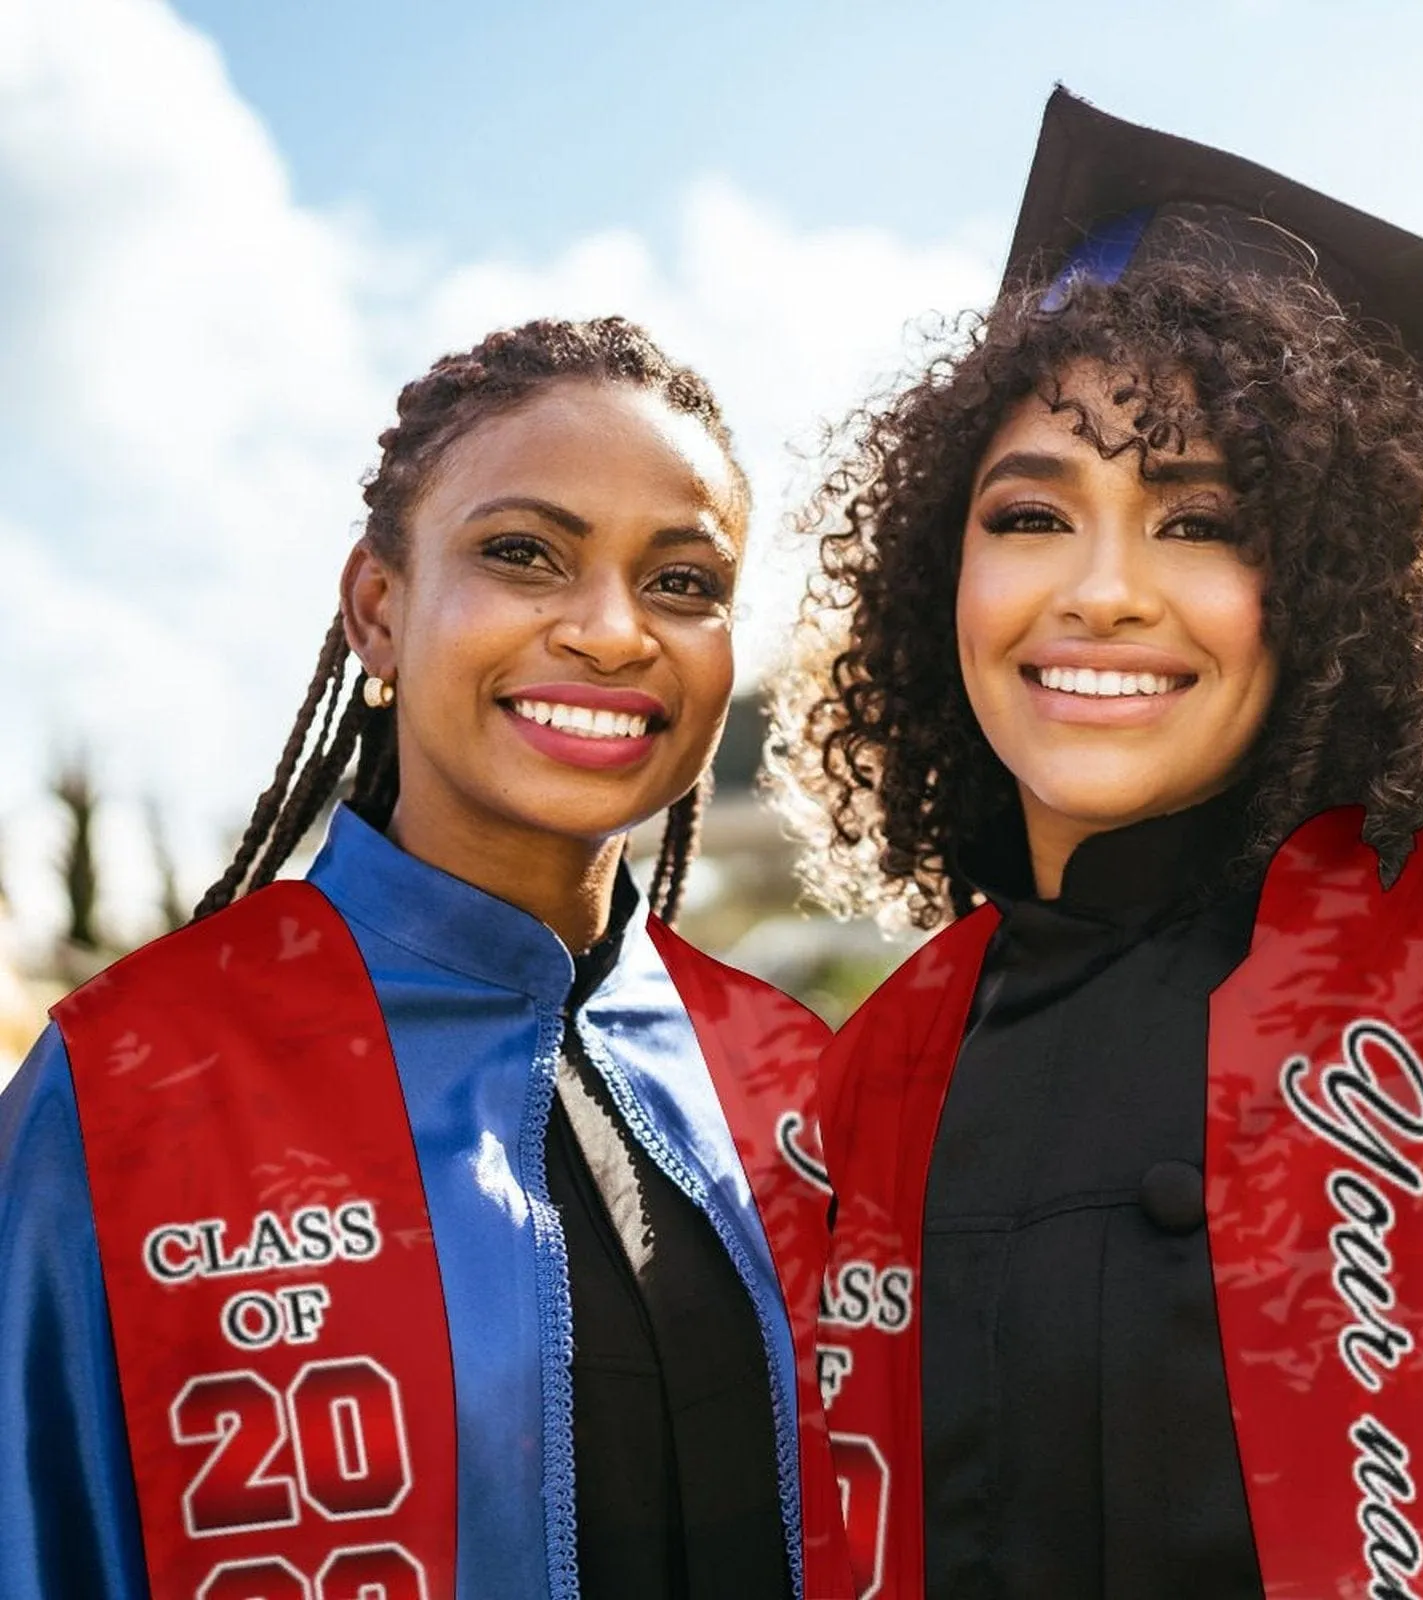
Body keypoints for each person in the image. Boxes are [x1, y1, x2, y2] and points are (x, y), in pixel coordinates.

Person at [770, 91, 1423, 1599]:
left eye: (1203, 522)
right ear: (936, 567)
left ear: (1335, 596)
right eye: (1030, 513)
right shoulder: (883, 1066)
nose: (1101, 591)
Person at [0, 317, 852, 1600]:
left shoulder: (791, 1078)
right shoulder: (132, 1082)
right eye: (524, 554)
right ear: (378, 611)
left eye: (682, 581)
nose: (614, 631)